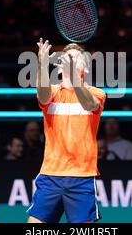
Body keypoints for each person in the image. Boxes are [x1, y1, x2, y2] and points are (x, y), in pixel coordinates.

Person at [27, 39, 106, 223]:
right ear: (60, 68)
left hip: (82, 177)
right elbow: (43, 96)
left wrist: (75, 78)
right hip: (50, 175)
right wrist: (41, 65)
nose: (70, 60)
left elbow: (89, 104)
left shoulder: (97, 93)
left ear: (85, 68)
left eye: (76, 58)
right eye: (67, 58)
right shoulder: (53, 92)